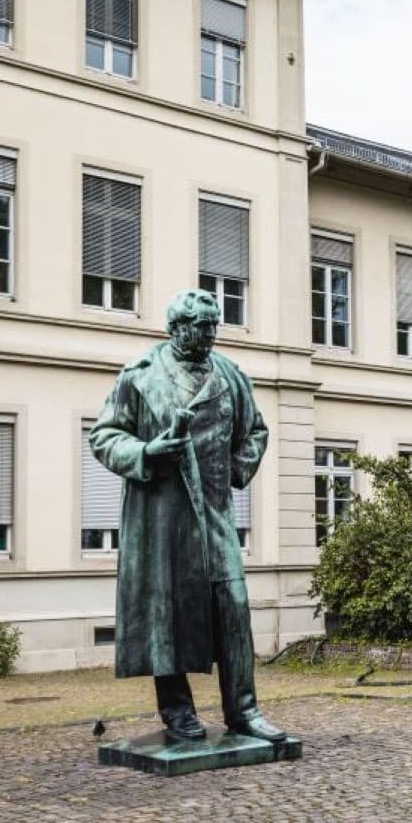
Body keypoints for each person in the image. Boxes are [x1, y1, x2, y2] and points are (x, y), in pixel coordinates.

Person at [89, 289, 285, 743]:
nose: (211, 333)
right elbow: (103, 436)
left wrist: (235, 469)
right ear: (176, 328)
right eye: (202, 325)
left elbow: (254, 429)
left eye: (215, 324)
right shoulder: (140, 377)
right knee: (167, 612)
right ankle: (177, 710)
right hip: (161, 516)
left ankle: (244, 710)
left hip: (215, 512)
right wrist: (145, 451)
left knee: (233, 608)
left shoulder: (231, 375)